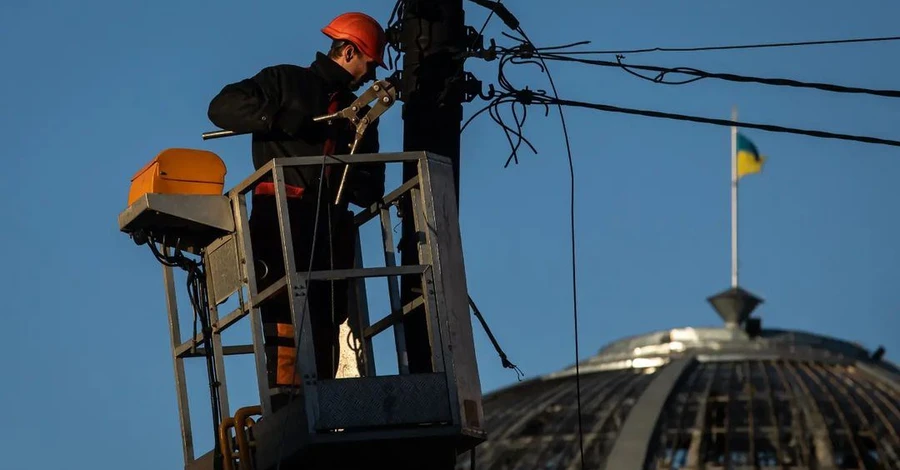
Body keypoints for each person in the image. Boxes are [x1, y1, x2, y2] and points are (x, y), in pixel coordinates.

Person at [206, 12, 388, 410]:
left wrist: (352, 170)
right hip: (281, 217)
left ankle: (317, 398)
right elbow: (222, 107)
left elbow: (372, 186)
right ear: (348, 51)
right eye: (369, 64)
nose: (370, 74)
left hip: (329, 226)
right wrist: (276, 118)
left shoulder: (360, 115)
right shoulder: (285, 82)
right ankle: (285, 404)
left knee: (326, 315)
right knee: (282, 308)